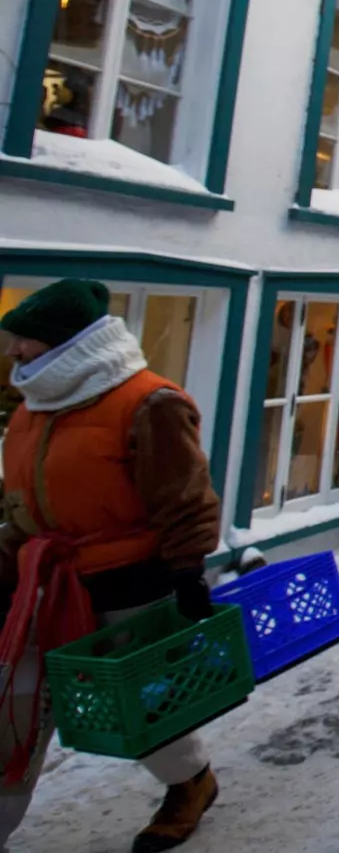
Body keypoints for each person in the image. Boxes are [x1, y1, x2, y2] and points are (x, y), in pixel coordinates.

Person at [0, 280, 223, 853]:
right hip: (40, 584)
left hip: (128, 582)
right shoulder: (31, 407)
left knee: (143, 702)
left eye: (23, 340)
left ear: (63, 344)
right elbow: (24, 501)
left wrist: (186, 573)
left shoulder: (149, 402)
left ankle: (189, 783)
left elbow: (185, 496)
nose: (13, 352)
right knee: (12, 704)